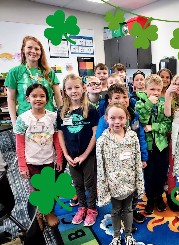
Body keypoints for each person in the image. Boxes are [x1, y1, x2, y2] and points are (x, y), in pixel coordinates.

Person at [96, 84, 148, 226]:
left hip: (132, 163)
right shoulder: (105, 120)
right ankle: (120, 215)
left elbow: (140, 137)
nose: (122, 100)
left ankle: (131, 210)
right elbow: (100, 141)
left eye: (125, 97)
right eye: (117, 97)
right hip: (115, 166)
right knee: (119, 196)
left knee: (134, 189)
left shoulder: (134, 116)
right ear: (109, 100)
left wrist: (143, 157)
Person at [13, 83, 63, 227]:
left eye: (42, 96)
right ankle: (38, 214)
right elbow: (20, 145)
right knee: (35, 189)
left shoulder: (52, 117)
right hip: (31, 162)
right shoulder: (23, 119)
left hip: (48, 160)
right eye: (34, 96)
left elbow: (56, 140)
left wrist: (59, 157)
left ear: (47, 100)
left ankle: (47, 212)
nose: (38, 99)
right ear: (28, 98)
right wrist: (22, 165)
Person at [96, 102, 144, 245]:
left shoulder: (132, 137)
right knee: (116, 210)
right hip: (113, 184)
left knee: (129, 209)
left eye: (121, 118)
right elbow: (100, 166)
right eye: (113, 118)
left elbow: (137, 161)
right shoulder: (102, 141)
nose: (117, 122)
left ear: (127, 118)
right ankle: (116, 236)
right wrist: (103, 187)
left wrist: (139, 182)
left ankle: (128, 235)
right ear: (106, 119)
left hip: (129, 182)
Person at [57, 73, 99, 226]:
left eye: (76, 87)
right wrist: (66, 155)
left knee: (89, 184)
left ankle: (92, 209)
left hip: (88, 155)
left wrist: (85, 155)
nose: (73, 91)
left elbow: (95, 134)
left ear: (83, 88)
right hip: (71, 155)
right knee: (77, 184)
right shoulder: (62, 111)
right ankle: (82, 207)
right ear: (65, 91)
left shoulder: (91, 110)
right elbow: (60, 133)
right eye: (69, 88)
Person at [4, 36, 63, 125]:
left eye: (37, 49)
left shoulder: (49, 72)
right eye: (29, 47)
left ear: (41, 52)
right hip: (25, 121)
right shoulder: (15, 72)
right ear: (23, 50)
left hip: (49, 120)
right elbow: (11, 99)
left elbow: (58, 97)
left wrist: (61, 117)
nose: (33, 51)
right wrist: (14, 121)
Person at [135, 74, 172, 215]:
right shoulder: (140, 103)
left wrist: (153, 127)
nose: (155, 93)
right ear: (145, 89)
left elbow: (167, 124)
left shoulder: (163, 105)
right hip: (148, 146)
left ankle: (158, 197)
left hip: (161, 144)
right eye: (152, 89)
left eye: (158, 90)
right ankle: (150, 198)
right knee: (149, 174)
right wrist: (149, 103)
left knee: (161, 172)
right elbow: (142, 120)